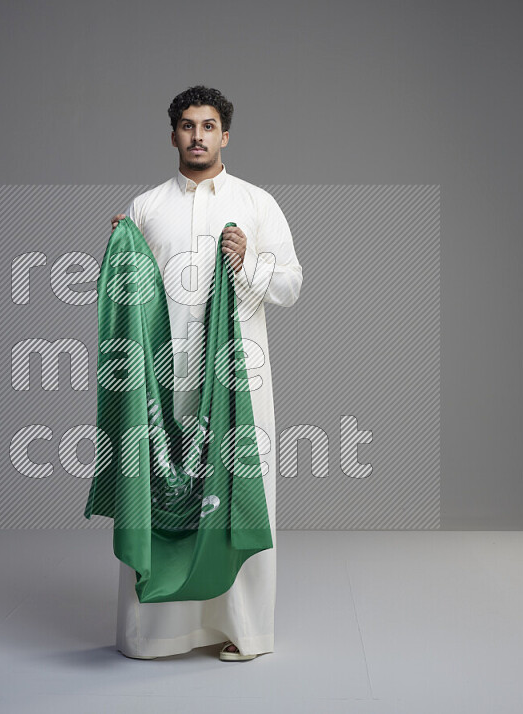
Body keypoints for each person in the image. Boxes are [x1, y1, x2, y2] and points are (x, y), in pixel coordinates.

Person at [109, 85, 303, 661]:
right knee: (156, 489)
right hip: (163, 378)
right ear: (173, 135)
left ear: (225, 135)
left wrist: (252, 263)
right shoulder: (145, 207)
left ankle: (244, 630)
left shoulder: (256, 203)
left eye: (209, 125)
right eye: (187, 126)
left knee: (238, 492)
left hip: (238, 377)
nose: (198, 135)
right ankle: (155, 635)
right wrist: (121, 245)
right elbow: (129, 293)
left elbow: (292, 285)